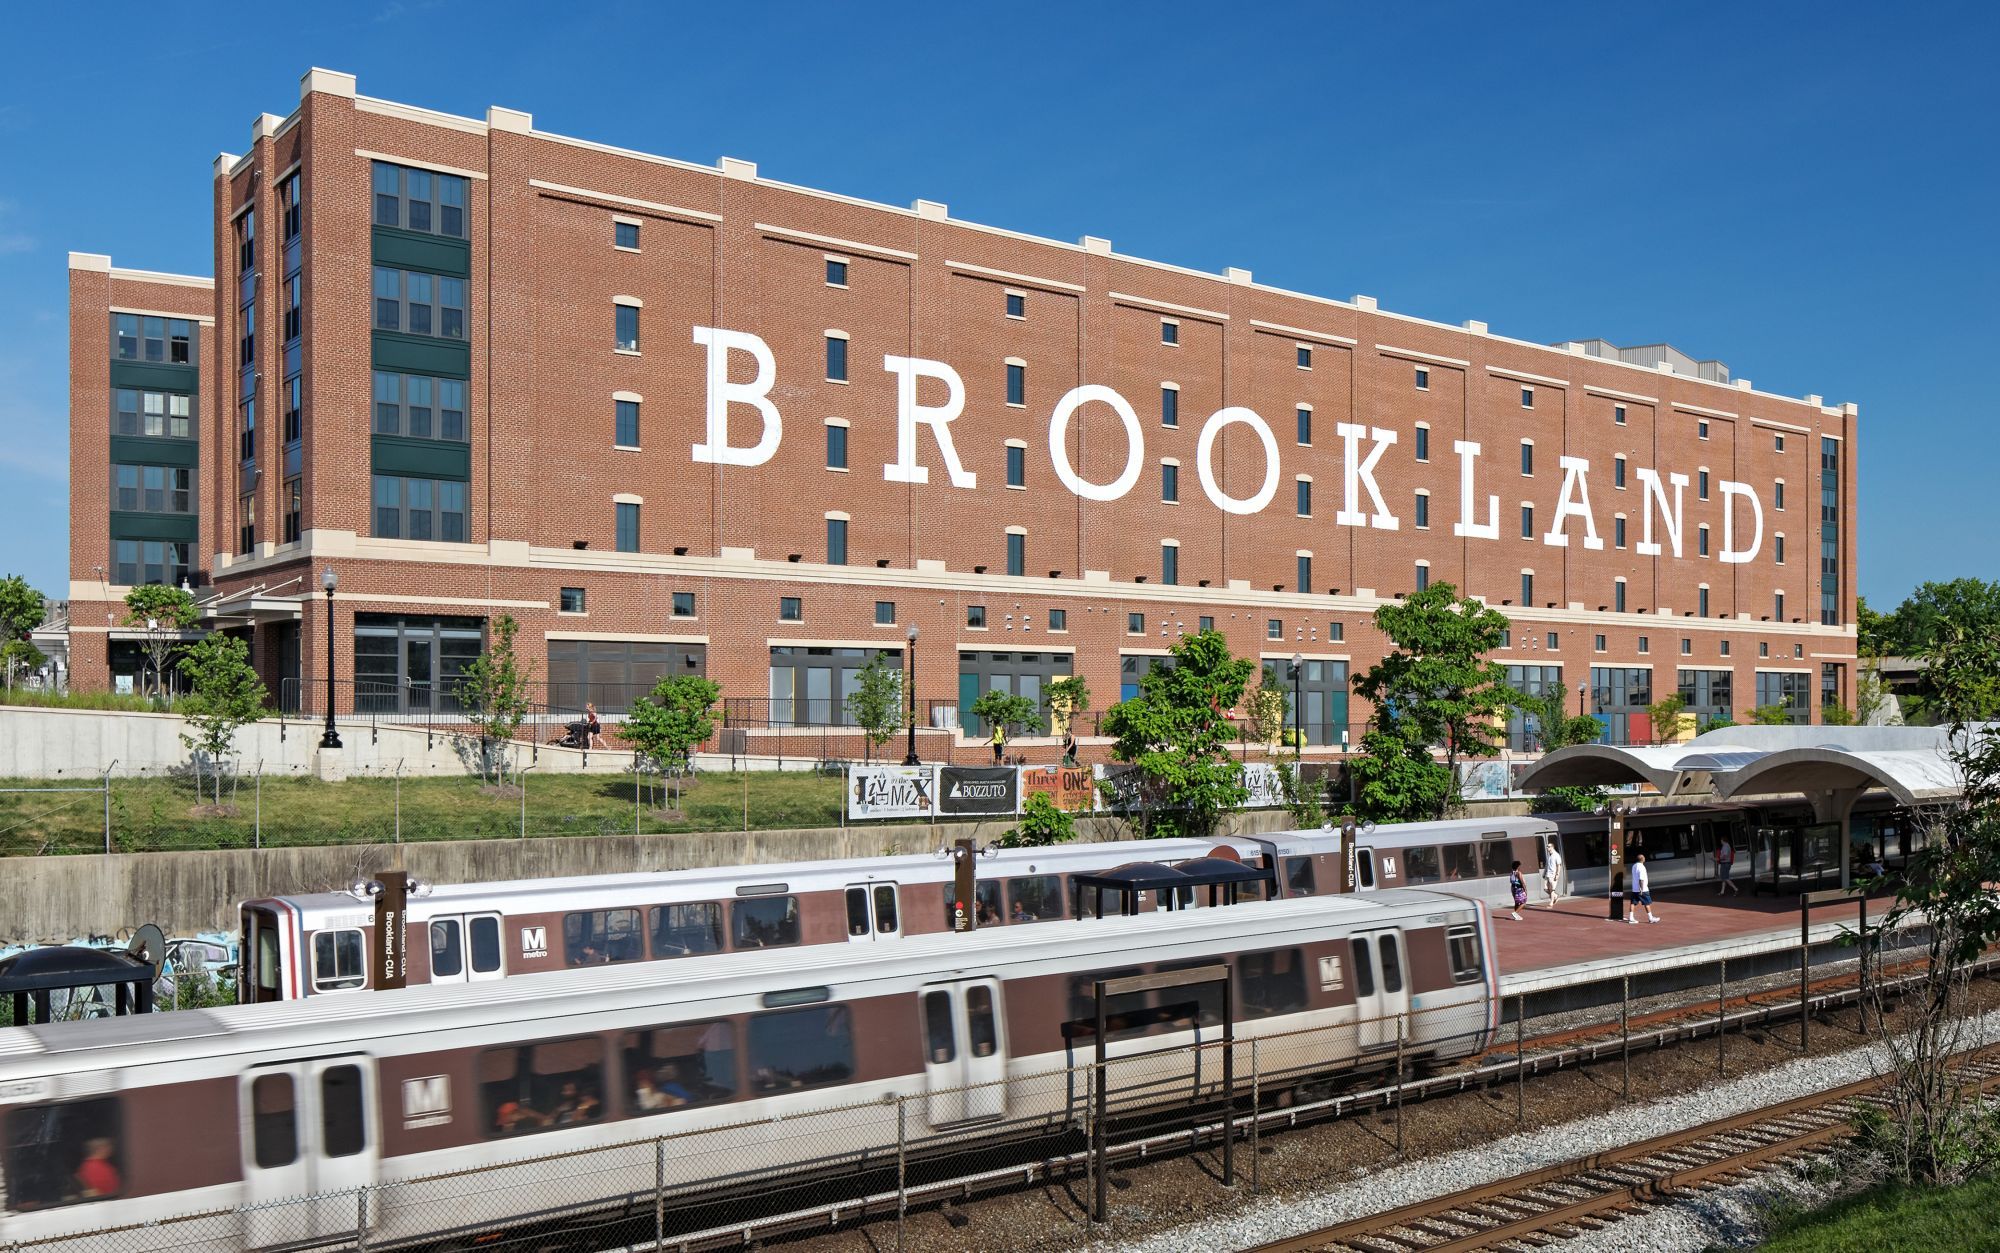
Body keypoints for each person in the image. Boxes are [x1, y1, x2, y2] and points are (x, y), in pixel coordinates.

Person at [1630, 852, 1659, 924]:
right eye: (1644, 858)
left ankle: (1631, 918)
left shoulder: (1634, 866)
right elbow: (1641, 879)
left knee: (1633, 903)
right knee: (1647, 903)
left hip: (1634, 889)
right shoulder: (1642, 867)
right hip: (1643, 889)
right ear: (1642, 859)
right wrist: (1641, 889)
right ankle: (1651, 918)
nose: (1645, 858)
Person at [1544, 840, 1565, 910]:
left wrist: (1557, 874)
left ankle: (1551, 903)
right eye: (1547, 846)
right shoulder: (1549, 856)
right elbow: (1547, 865)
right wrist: (1544, 873)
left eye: (1548, 846)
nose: (1547, 848)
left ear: (1552, 847)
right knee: (1545, 888)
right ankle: (1556, 896)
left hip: (1553, 874)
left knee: (1552, 889)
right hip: (1548, 874)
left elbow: (1559, 865)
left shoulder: (1556, 855)